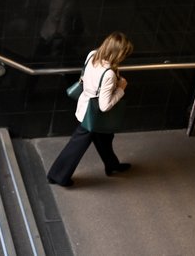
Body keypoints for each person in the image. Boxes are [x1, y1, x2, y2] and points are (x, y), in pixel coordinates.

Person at [46, 31, 133, 187]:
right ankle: (57, 176)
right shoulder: (109, 74)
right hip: (93, 115)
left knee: (104, 139)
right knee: (77, 145)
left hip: (85, 104)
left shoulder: (92, 55)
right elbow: (104, 106)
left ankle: (112, 166)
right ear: (118, 54)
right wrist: (121, 89)